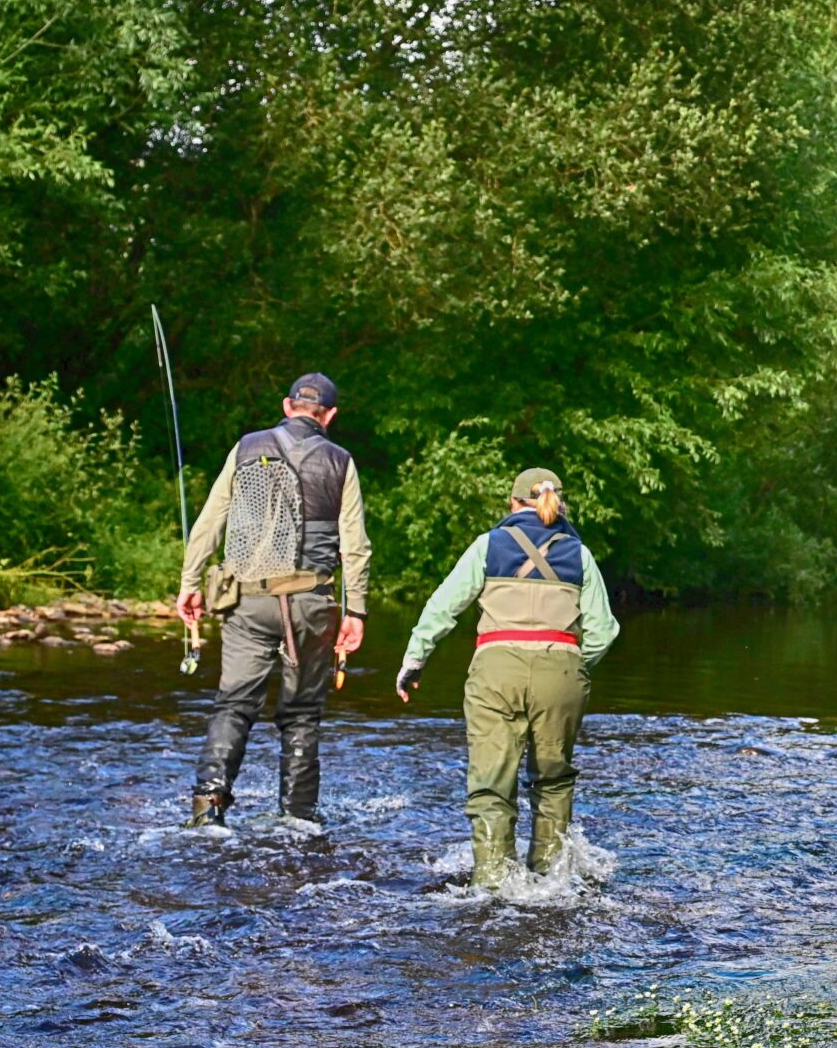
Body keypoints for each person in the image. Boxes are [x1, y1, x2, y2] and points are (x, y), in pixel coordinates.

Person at [396, 468, 618, 887]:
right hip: (562, 671)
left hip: (496, 670)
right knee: (553, 781)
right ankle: (551, 882)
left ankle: (494, 884)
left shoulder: (488, 545)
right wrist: (571, 664)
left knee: (491, 784)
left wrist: (414, 661)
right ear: (558, 503)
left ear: (514, 504)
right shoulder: (580, 554)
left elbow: (443, 607)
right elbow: (604, 631)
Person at [175, 374, 371, 826]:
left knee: (233, 704)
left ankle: (207, 812)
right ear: (331, 415)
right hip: (310, 605)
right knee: (302, 714)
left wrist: (189, 582)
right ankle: (297, 821)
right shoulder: (341, 461)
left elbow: (210, 523)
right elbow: (355, 546)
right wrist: (356, 610)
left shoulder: (245, 448)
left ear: (287, 406)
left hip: (247, 602)